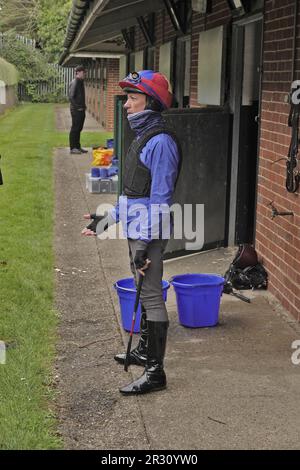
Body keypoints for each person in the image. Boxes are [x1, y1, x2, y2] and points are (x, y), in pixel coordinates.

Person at [82, 70, 181, 395]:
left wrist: (145, 244)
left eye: (132, 98)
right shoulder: (142, 135)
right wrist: (105, 220)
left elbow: (160, 200)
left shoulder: (161, 142)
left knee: (151, 295)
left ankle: (156, 373)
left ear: (150, 101)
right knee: (141, 287)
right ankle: (142, 352)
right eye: (127, 98)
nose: (126, 104)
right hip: (137, 228)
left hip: (148, 233)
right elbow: (133, 191)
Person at [69, 65, 88, 154]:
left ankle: (78, 147)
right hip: (76, 110)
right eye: (83, 72)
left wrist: (83, 106)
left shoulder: (80, 82)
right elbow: (71, 97)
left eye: (85, 72)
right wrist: (78, 107)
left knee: (79, 128)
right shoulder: (75, 82)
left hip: (81, 109)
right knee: (75, 128)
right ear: (78, 72)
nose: (85, 74)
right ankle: (73, 148)